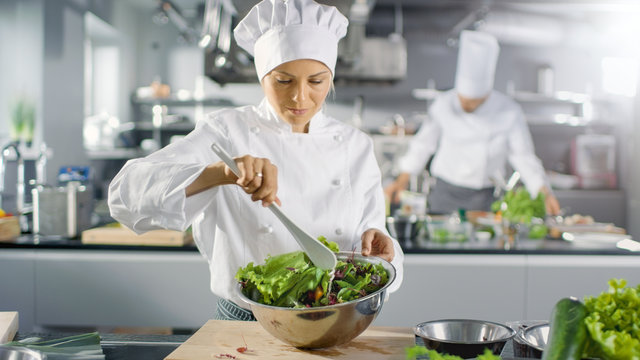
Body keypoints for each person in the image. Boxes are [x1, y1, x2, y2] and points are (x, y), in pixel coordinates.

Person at [108, 0, 404, 321]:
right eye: (283, 80)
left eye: (316, 81)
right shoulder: (225, 130)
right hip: (249, 321)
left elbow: (370, 229)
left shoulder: (354, 144)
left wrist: (378, 241)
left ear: (330, 78)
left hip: (337, 318)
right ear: (262, 77)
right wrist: (220, 173)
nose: (300, 97)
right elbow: (125, 195)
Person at [385, 30, 560, 216]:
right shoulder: (443, 103)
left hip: (484, 197)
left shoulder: (509, 111)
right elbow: (423, 144)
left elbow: (523, 157)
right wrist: (401, 180)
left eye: (473, 102)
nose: (466, 105)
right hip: (445, 193)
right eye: (463, 99)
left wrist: (544, 192)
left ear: (486, 94)